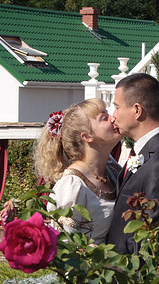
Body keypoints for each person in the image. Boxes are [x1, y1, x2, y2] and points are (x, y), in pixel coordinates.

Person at [107, 73, 159, 254]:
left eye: (117, 107)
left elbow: (154, 242)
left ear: (137, 110)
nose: (113, 116)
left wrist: (107, 256)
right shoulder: (150, 153)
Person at [35, 98, 122, 244]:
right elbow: (66, 248)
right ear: (86, 136)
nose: (113, 119)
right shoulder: (72, 184)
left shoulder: (111, 169)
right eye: (104, 118)